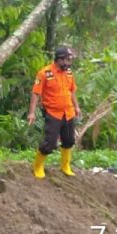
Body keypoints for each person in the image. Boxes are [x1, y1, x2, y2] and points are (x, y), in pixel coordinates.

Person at [27, 45, 81, 179]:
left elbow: (72, 91)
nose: (69, 63)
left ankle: (65, 166)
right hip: (53, 113)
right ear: (60, 59)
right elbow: (35, 93)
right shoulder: (44, 73)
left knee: (69, 140)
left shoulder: (69, 73)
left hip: (68, 112)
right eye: (67, 60)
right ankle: (38, 166)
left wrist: (77, 106)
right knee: (49, 143)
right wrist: (32, 113)